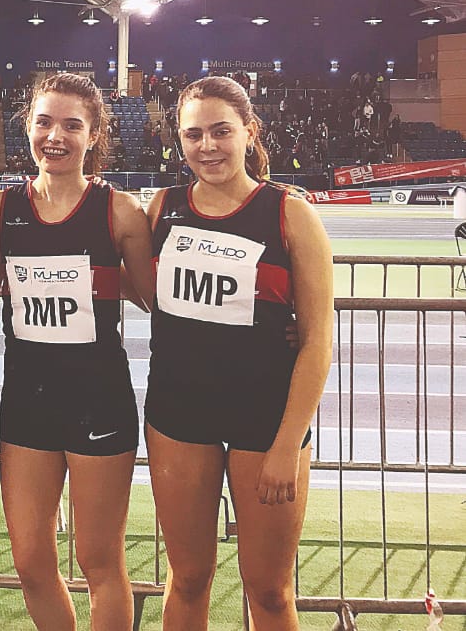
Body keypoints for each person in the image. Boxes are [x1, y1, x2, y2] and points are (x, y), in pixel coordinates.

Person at [143, 76, 332, 631]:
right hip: (178, 417)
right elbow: (132, 286)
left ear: (249, 132)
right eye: (194, 134)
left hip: (265, 422)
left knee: (269, 592)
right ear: (179, 140)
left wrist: (285, 445)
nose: (208, 146)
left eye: (221, 131)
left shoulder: (289, 213)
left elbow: (318, 340)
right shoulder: (163, 208)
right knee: (188, 579)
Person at [0, 73, 154, 631]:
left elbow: (163, 301)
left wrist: (281, 322)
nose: (55, 136)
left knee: (99, 560)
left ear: (94, 132)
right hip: (27, 403)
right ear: (27, 127)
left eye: (71, 125)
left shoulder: (119, 211)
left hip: (99, 399)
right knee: (30, 561)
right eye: (44, 122)